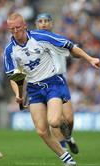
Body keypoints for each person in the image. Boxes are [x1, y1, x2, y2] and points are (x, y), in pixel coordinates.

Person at [4, 12, 100, 166]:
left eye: (18, 28)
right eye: (11, 29)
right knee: (42, 131)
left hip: (52, 83)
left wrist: (90, 59)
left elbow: (69, 46)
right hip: (34, 89)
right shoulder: (9, 50)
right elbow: (13, 75)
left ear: (24, 26)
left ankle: (66, 132)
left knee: (54, 122)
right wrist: (18, 94)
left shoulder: (40, 36)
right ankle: (67, 158)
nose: (15, 32)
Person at [35, 13, 79, 153]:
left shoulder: (59, 40)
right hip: (42, 83)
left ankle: (68, 137)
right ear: (36, 24)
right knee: (55, 120)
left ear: (51, 24)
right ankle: (65, 151)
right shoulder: (32, 43)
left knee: (69, 119)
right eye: (40, 21)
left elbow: (73, 53)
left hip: (59, 80)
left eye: (47, 21)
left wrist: (77, 52)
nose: (44, 24)